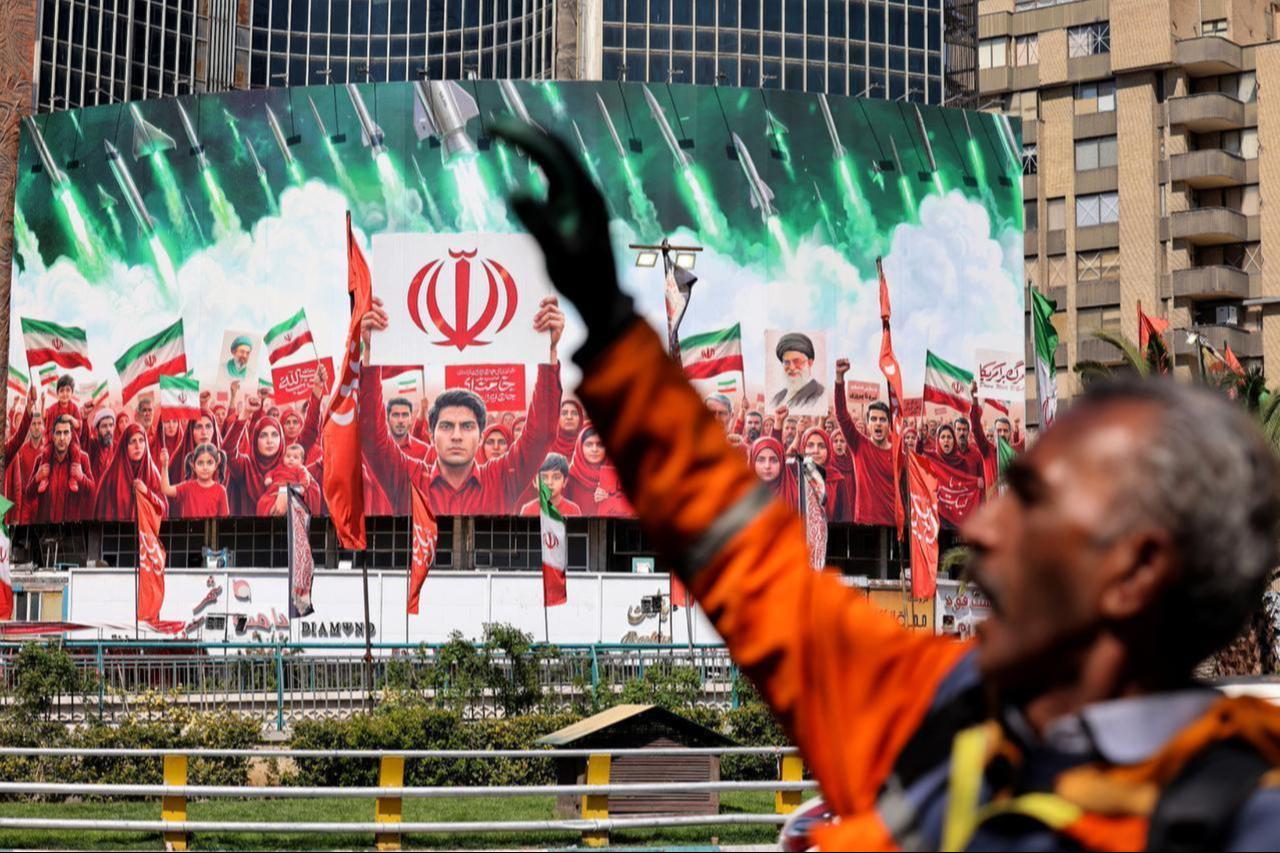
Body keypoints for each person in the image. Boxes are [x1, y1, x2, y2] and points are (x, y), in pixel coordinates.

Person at [495, 120, 1280, 850]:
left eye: (1033, 499)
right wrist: (609, 322)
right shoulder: (939, 703)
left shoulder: (1243, 816)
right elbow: (746, 558)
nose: (979, 529)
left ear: (1138, 569)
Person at [358, 296, 564, 516]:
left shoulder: (503, 478)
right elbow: (373, 438)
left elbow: (540, 435)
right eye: (446, 426)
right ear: (430, 432)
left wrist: (548, 352)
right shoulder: (407, 478)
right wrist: (371, 353)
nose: (456, 436)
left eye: (467, 426)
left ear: (480, 435)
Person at [833, 360, 896, 527]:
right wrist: (839, 378)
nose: (878, 423)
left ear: (889, 424)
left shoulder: (898, 454)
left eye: (882, 419)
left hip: (892, 524)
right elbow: (841, 415)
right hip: (864, 524)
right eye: (873, 419)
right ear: (867, 424)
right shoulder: (859, 445)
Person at [25, 414, 95, 522]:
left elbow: (92, 492)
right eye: (58, 433)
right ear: (53, 436)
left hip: (71, 529)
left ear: (71, 436)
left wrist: (81, 478)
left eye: (66, 432)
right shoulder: (41, 460)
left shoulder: (83, 459)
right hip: (45, 528)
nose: (62, 438)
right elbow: (28, 495)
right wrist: (37, 478)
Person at [93, 423, 167, 521]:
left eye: (141, 440)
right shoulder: (112, 475)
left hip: (146, 534)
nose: (138, 446)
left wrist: (147, 492)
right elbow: (102, 516)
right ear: (125, 446)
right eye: (133, 441)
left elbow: (163, 509)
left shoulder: (152, 473)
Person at [227, 415, 284, 516]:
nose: (269, 441)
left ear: (281, 439)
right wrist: (246, 412)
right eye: (263, 435)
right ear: (255, 440)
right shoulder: (245, 466)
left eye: (275, 435)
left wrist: (286, 492)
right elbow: (228, 451)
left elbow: (305, 487)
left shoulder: (289, 466)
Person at [159, 443, 229, 518]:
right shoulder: (187, 487)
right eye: (200, 463)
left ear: (216, 465)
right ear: (193, 465)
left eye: (209, 463)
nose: (205, 467)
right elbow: (165, 489)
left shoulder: (221, 491)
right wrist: (164, 465)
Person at [257, 443, 321, 516]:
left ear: (302, 461)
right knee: (262, 502)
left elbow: (305, 479)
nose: (291, 459)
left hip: (289, 489)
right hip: (273, 491)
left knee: (290, 504)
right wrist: (268, 478)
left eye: (295, 457)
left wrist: (302, 487)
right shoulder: (280, 467)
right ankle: (271, 513)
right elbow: (271, 473)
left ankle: (280, 513)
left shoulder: (300, 469)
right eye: (288, 456)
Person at [770, 333, 826, 410]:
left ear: (809, 363)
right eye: (786, 362)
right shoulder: (777, 398)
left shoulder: (819, 395)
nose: (792, 367)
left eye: (797, 361)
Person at [565, 427, 608, 514]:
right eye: (589, 445)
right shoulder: (569, 478)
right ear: (580, 447)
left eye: (600, 445)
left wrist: (610, 499)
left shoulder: (614, 476)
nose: (594, 449)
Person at [385, 395, 431, 461]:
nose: (400, 420)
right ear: (387, 419)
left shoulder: (425, 451)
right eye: (395, 415)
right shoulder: (376, 450)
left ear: (411, 419)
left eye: (405, 415)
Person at [84, 408, 116, 482]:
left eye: (111, 425)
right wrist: (84, 418)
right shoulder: (92, 446)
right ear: (96, 430)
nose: (108, 429)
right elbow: (84, 438)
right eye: (104, 426)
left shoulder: (118, 447)